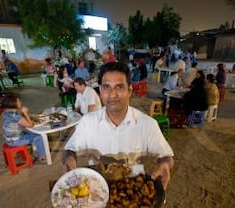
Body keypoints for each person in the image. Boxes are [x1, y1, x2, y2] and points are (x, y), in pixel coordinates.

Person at [62, 62, 174, 190]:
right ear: (100, 90)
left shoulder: (147, 124)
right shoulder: (87, 122)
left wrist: (165, 164)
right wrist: (69, 160)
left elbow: (166, 155)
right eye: (106, 87)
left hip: (132, 188)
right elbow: (69, 150)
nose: (112, 94)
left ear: (130, 90)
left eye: (119, 87)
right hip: (96, 190)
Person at [1, 94, 46, 162]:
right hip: (15, 141)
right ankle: (41, 156)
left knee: (32, 132)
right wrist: (25, 113)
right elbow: (30, 125)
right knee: (39, 137)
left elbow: (20, 122)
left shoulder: (6, 112)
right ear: (13, 103)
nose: (21, 102)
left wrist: (24, 115)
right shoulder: (15, 116)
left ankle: (37, 148)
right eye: (19, 101)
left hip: (9, 139)